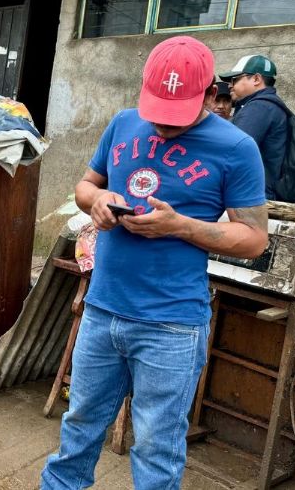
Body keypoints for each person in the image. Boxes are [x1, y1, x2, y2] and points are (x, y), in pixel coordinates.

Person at [41, 36, 268, 489]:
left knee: (156, 448)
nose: (162, 127)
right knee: (78, 428)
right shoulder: (124, 124)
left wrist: (181, 226)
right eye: (157, 113)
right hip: (103, 310)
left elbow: (254, 239)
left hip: (171, 325)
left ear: (210, 97)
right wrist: (100, 200)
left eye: (175, 116)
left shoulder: (237, 148)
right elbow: (86, 186)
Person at [220, 55, 287, 200]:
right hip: (261, 192)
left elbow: (231, 150)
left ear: (256, 79)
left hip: (256, 195)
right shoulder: (266, 105)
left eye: (235, 79)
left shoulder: (259, 107)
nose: (230, 85)